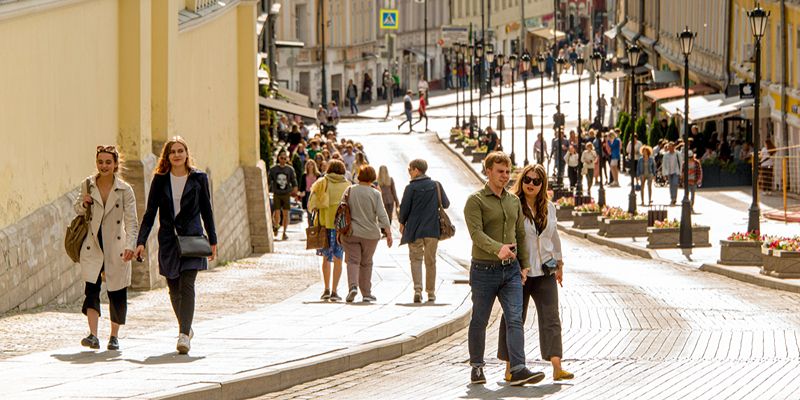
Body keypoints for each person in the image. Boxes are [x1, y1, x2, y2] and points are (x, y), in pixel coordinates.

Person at [463, 152, 544, 386]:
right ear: (488, 171)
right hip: (483, 270)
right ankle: (477, 367)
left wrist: (524, 265)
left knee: (515, 319)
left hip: (511, 271)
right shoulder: (475, 201)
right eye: (500, 171)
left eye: (508, 172)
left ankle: (518, 369)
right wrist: (497, 248)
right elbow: (476, 234)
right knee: (480, 319)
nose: (505, 176)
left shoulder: (513, 201)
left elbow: (520, 234)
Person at [135, 136, 217, 355]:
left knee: (187, 284)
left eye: (181, 150)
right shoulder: (160, 180)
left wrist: (213, 240)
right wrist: (141, 241)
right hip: (169, 241)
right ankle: (186, 327)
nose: (177, 155)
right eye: (173, 151)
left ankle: (183, 335)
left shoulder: (199, 178)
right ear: (167, 156)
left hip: (192, 240)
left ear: (187, 154)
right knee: (173, 288)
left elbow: (207, 210)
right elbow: (150, 213)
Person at [496, 163, 573, 383]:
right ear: (522, 181)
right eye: (527, 179)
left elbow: (554, 236)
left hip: (545, 270)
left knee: (551, 318)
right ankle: (511, 368)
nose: (531, 184)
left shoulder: (549, 207)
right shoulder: (513, 205)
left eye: (536, 181)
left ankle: (557, 367)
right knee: (514, 318)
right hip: (519, 271)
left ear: (542, 184)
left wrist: (559, 263)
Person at [75, 145, 138, 351]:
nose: (104, 166)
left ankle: (114, 336)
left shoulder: (125, 189)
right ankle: (93, 335)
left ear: (115, 164)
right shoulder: (88, 184)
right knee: (91, 290)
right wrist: (84, 203)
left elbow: (132, 221)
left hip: (116, 245)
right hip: (93, 244)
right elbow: (76, 208)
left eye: (108, 162)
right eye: (100, 162)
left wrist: (130, 246)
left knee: (117, 292)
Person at [399, 159, 450, 303]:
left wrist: (402, 222)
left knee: (415, 259)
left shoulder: (410, 188)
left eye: (410, 169)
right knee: (431, 261)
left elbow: (404, 209)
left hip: (414, 229)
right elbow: (446, 204)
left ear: (416, 170)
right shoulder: (436, 185)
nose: (409, 172)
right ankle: (431, 292)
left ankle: (417, 290)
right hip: (432, 229)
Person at [340, 165, 393, 303]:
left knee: (352, 261)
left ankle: (353, 286)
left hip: (351, 232)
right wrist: (388, 233)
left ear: (359, 176)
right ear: (373, 177)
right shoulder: (375, 193)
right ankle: (366, 293)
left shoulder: (350, 190)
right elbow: (382, 214)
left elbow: (341, 209)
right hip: (370, 234)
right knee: (366, 263)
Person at [308, 160, 350, 301]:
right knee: (338, 259)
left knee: (326, 259)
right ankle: (334, 291)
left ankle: (326, 289)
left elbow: (311, 205)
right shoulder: (347, 185)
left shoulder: (322, 182)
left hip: (324, 226)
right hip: (340, 227)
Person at [268, 151, 298, 240]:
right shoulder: (273, 169)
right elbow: (269, 180)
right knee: (277, 213)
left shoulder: (290, 169)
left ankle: (284, 232)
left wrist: (295, 189)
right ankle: (276, 226)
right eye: (282, 158)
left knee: (286, 214)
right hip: (277, 193)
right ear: (278, 158)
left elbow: (293, 180)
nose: (283, 160)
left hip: (286, 193)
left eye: (285, 158)